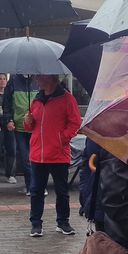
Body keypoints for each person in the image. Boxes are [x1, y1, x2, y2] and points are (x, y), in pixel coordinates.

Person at [24, 74, 81, 237]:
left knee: (61, 190)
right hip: (38, 154)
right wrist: (27, 121)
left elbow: (75, 123)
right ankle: (36, 223)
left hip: (58, 153)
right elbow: (30, 127)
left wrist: (62, 139)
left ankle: (63, 222)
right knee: (36, 190)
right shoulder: (36, 100)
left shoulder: (67, 99)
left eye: (39, 77)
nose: (37, 80)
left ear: (50, 78)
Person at [3, 74, 36, 193]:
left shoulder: (38, 79)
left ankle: (37, 185)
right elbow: (6, 103)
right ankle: (30, 186)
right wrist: (9, 120)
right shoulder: (13, 80)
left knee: (36, 157)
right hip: (19, 128)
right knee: (25, 157)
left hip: (36, 127)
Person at [0, 73, 17, 183]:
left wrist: (10, 120)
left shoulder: (10, 94)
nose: (2, 81)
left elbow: (12, 109)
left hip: (9, 124)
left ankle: (10, 174)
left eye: (4, 79)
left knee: (11, 149)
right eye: (0, 79)